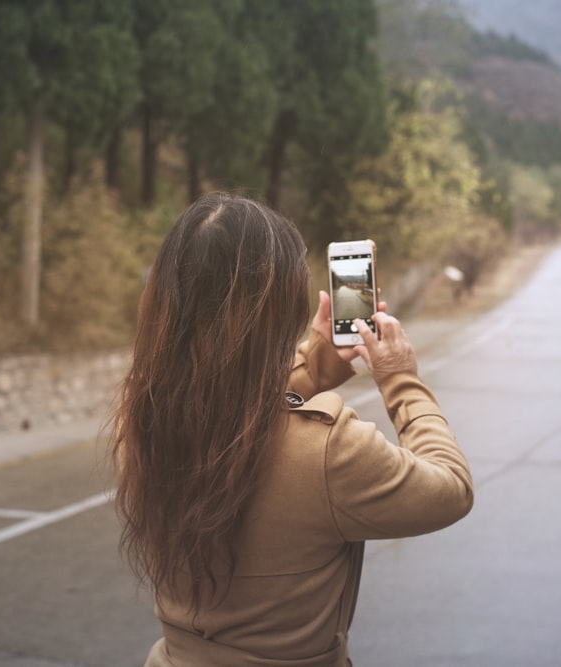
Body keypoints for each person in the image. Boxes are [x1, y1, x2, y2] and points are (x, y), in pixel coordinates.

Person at [111, 192, 474, 666]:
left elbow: (224, 400)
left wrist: (319, 358)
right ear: (279, 313)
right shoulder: (326, 450)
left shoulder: (142, 417)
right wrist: (400, 378)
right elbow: (450, 488)